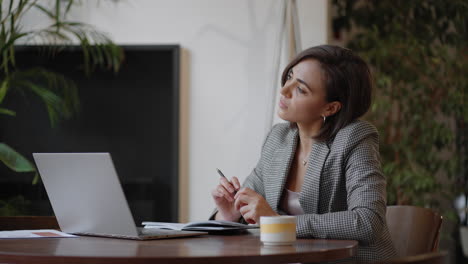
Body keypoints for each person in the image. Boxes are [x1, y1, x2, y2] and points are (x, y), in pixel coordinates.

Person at [210, 45, 397, 262]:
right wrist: (229, 214)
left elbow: (367, 222)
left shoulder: (355, 138)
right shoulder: (278, 139)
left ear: (330, 108)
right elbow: (253, 208)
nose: (284, 90)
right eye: (289, 77)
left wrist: (279, 222)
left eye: (301, 89)